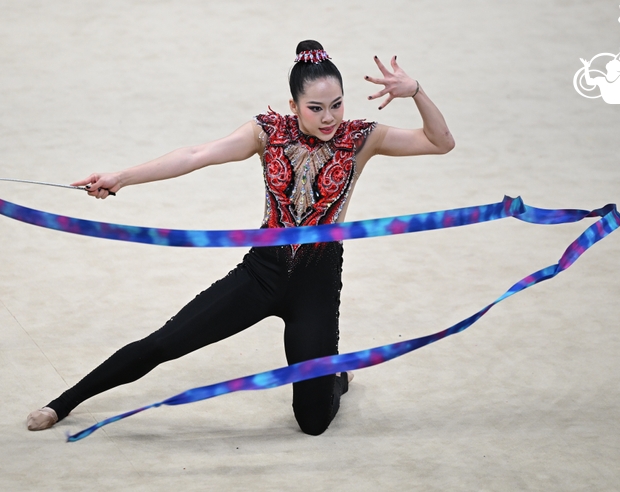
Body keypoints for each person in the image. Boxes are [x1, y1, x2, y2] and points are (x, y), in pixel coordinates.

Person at [27, 40, 454, 436]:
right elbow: (196, 155)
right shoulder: (267, 133)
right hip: (261, 274)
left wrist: (415, 90)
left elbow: (441, 143)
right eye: (316, 107)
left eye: (337, 105)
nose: (329, 118)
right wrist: (121, 177)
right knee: (164, 343)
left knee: (313, 423)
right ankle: (63, 403)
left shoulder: (362, 139)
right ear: (294, 105)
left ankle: (335, 378)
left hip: (317, 284)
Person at [580, 5, 620, 104]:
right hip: (617, 97)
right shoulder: (603, 80)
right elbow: (589, 82)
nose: (612, 60)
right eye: (616, 61)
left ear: (617, 69)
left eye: (615, 62)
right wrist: (586, 67)